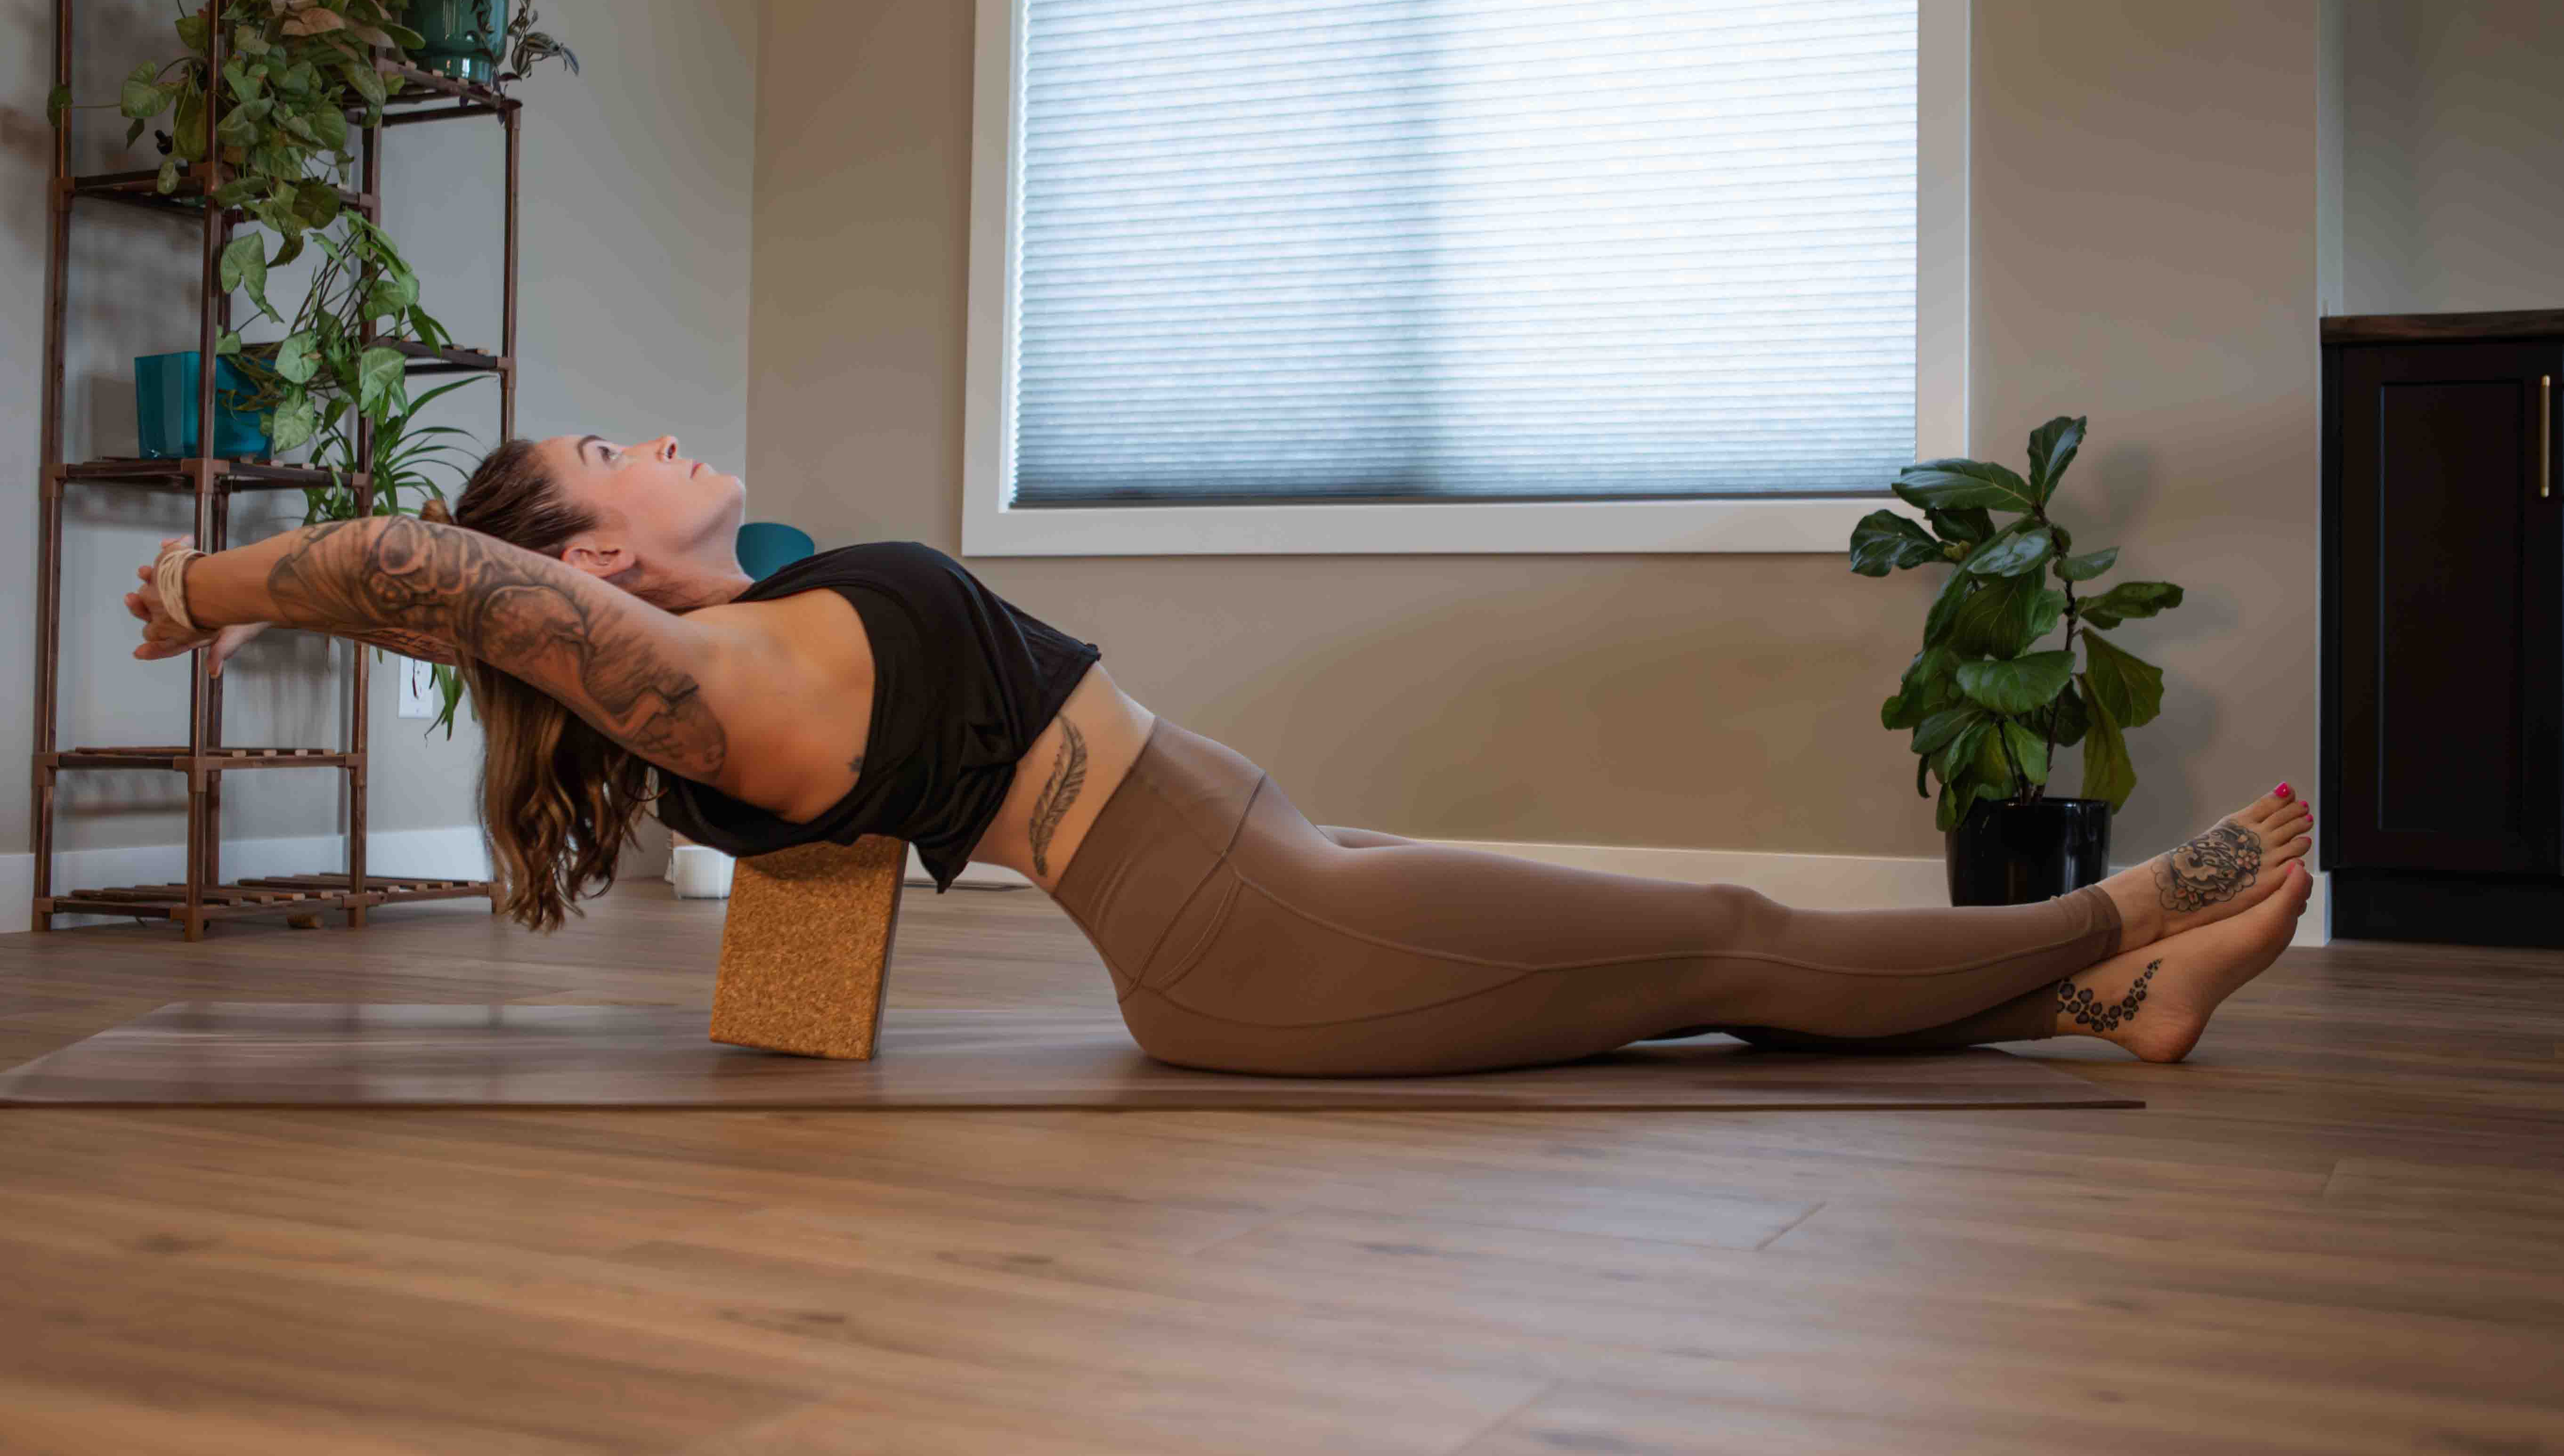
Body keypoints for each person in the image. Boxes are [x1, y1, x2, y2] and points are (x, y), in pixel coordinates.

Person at [124, 433, 2316, 1079]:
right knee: (1728, 934)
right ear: (587, 562)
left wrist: (782, 1085)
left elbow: (799, 985)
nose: (664, 439)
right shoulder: (721, 689)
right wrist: (218, 590)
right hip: (1246, 927)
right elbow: (430, 572)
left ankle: (2101, 1001)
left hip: (1257, 866)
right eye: (614, 451)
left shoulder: (753, 650)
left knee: (1696, 972)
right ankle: (2137, 904)